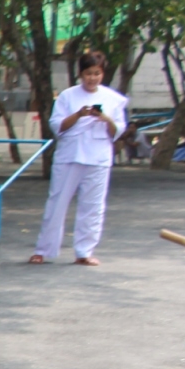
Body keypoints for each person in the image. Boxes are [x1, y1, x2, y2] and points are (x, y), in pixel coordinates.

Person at [32, 51, 127, 266]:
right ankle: (44, 249)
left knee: (93, 206)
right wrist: (79, 115)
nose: (92, 78)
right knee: (57, 202)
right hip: (70, 155)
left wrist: (103, 117)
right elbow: (57, 126)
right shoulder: (68, 96)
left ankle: (84, 251)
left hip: (98, 156)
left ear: (102, 74)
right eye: (88, 73)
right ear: (80, 74)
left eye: (96, 73)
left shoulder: (112, 98)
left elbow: (118, 130)